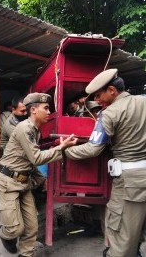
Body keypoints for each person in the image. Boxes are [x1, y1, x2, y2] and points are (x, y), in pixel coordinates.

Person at [64, 69, 146, 257]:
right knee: (138, 228)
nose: (97, 100)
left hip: (128, 184)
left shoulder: (108, 114)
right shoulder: (143, 101)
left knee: (120, 236)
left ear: (111, 90)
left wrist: (65, 152)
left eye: (99, 95)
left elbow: (94, 148)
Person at [0, 92, 77, 256]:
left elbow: (27, 161)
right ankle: (4, 233)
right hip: (7, 182)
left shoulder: (35, 131)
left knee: (31, 228)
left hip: (23, 182)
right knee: (15, 229)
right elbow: (36, 158)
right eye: (46, 108)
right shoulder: (25, 128)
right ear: (33, 110)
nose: (48, 112)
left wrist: (41, 178)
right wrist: (61, 148)